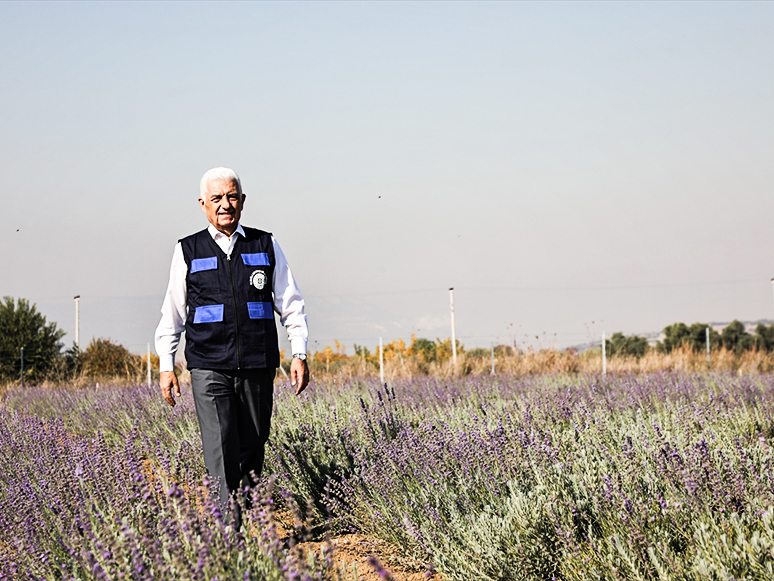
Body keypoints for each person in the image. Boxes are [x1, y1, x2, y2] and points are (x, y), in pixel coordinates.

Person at [154, 167, 309, 525]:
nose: (226, 205)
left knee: (253, 445)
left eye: (232, 196)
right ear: (203, 204)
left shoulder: (265, 244)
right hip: (209, 365)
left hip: (257, 363)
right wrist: (167, 364)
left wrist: (298, 352)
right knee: (220, 448)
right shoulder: (187, 250)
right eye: (217, 198)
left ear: (242, 200)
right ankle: (230, 533)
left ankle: (243, 512)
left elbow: (291, 302)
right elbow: (173, 313)